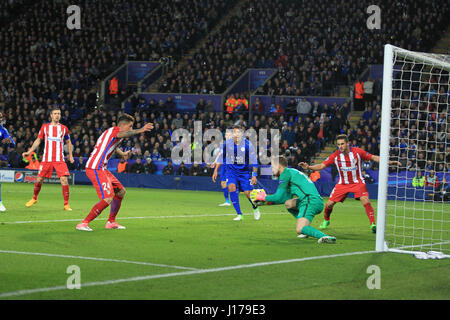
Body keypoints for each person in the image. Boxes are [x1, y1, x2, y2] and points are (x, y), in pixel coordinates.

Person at [299, 134, 401, 233]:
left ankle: (373, 224)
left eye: (342, 144)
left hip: (357, 182)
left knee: (365, 200)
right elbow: (322, 166)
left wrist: (390, 162)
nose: (340, 146)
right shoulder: (335, 156)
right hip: (343, 183)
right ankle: (326, 220)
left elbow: (374, 157)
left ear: (348, 143)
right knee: (329, 204)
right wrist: (308, 167)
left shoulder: (358, 152)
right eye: (338, 144)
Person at [76, 114, 153, 231]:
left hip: (102, 168)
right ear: (122, 125)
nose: (131, 129)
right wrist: (141, 130)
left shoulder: (113, 134)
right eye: (130, 126)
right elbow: (125, 134)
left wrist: (121, 153)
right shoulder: (116, 131)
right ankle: (84, 223)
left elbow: (113, 145)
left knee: (121, 192)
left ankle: (111, 222)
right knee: (107, 198)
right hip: (95, 167)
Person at [250, 156, 336, 243]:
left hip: (309, 201)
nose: (271, 169)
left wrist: (262, 197)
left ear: (279, 166)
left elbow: (278, 196)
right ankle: (305, 229)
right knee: (289, 203)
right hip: (314, 200)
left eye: (272, 166)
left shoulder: (285, 174)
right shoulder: (291, 172)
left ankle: (325, 237)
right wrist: (265, 203)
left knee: (299, 229)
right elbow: (284, 199)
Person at [23, 107, 74, 211]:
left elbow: (68, 142)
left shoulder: (64, 128)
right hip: (47, 159)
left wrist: (71, 155)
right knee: (39, 179)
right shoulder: (45, 127)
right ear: (51, 115)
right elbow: (38, 140)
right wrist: (29, 152)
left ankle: (66, 204)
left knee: (64, 180)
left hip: (59, 159)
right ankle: (34, 198)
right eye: (55, 113)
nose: (57, 115)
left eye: (59, 113)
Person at [212, 125, 260, 221]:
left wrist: (254, 175)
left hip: (244, 173)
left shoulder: (248, 145)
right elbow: (221, 157)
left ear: (242, 134)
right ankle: (239, 214)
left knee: (248, 194)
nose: (236, 134)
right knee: (231, 187)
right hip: (232, 172)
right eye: (235, 132)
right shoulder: (227, 144)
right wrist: (215, 170)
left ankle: (255, 208)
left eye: (238, 132)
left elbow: (254, 160)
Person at [0, 112, 16, 211]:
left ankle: (0, 202)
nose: (0, 119)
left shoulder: (3, 130)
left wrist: (9, 142)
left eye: (0, 117)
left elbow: (13, 144)